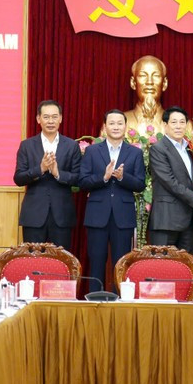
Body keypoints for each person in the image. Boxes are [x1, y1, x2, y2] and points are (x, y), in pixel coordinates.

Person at [79, 109, 146, 292]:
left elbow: (140, 184)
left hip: (122, 217)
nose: (116, 127)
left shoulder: (134, 153)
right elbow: (82, 181)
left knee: (120, 263)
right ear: (105, 126)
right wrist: (105, 177)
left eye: (119, 123)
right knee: (97, 262)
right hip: (97, 216)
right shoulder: (92, 151)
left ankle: (119, 303)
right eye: (112, 123)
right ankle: (94, 300)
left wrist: (123, 178)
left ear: (125, 126)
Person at [14, 100, 82, 248]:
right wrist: (40, 169)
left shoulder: (71, 146)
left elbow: (78, 179)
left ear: (61, 118)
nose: (50, 121)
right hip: (34, 215)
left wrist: (58, 173)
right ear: (38, 119)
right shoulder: (27, 145)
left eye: (54, 116)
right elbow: (18, 178)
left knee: (62, 262)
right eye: (46, 117)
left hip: (62, 215)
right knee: (33, 261)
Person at [147, 106, 193, 255]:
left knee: (187, 268)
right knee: (162, 269)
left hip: (188, 220)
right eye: (174, 122)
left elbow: (190, 179)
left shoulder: (189, 148)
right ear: (165, 125)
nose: (178, 126)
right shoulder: (158, 149)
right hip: (166, 220)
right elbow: (169, 181)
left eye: (182, 122)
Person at [124, 55, 168, 136]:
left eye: (156, 76)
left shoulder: (184, 126)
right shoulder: (116, 125)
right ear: (133, 83)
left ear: (164, 83)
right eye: (143, 75)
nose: (149, 82)